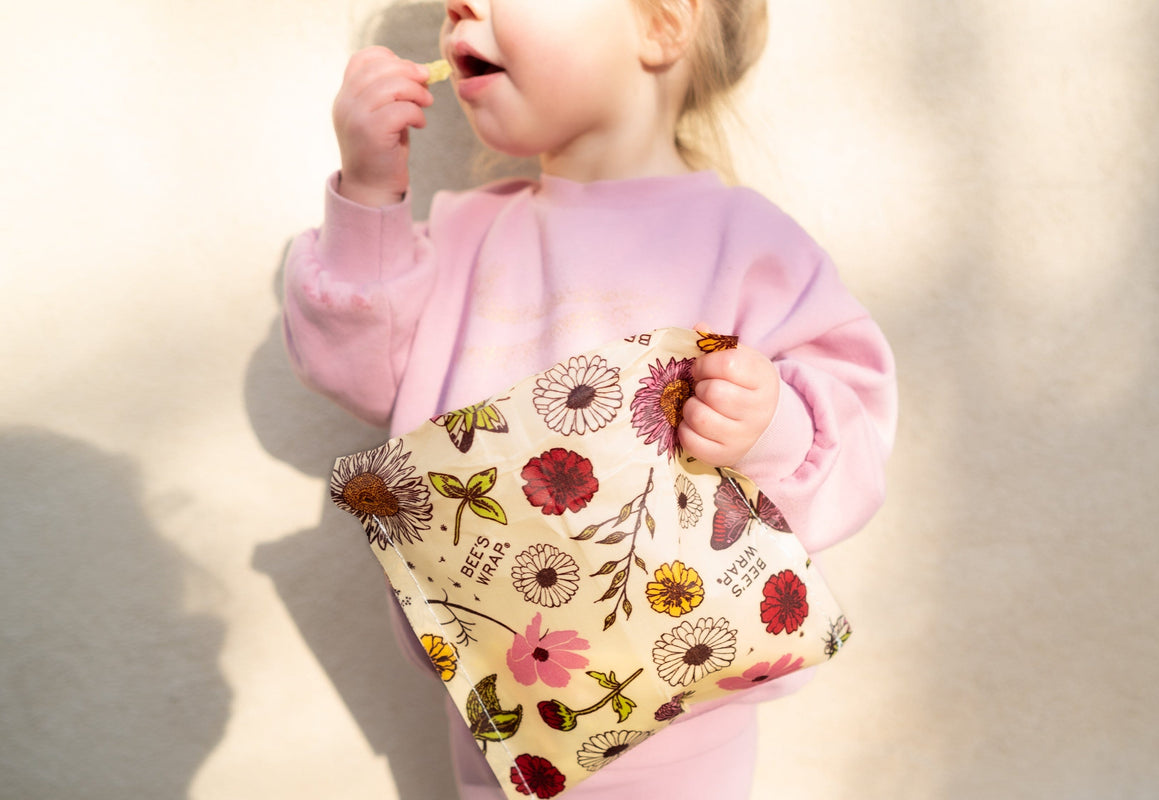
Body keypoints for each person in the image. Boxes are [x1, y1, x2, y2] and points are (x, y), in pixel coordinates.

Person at [283, 0, 898, 796]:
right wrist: (369, 196)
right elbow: (359, 373)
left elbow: (852, 436)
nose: (459, 7)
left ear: (664, 23)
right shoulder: (466, 235)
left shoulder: (748, 244)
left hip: (687, 727)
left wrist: (769, 424)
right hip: (497, 716)